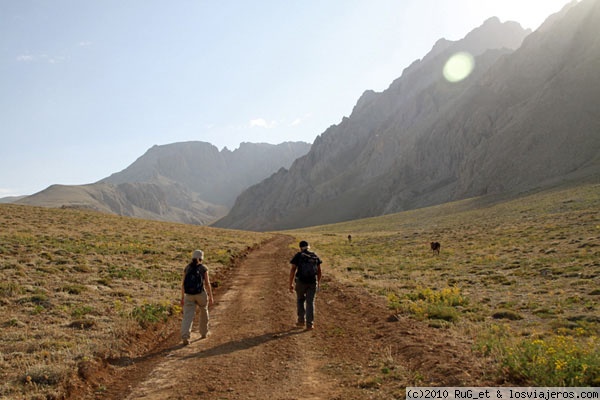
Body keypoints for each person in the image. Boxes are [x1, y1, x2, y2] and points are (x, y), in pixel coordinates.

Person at [180, 249, 214, 345]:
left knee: (188, 316)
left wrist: (182, 297)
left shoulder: (187, 268)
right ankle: (204, 333)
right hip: (200, 294)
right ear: (201, 258)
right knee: (204, 311)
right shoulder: (203, 268)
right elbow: (207, 283)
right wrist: (210, 296)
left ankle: (185, 336)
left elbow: (183, 284)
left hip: (189, 295)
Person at [289, 240, 322, 330]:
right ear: (308, 247)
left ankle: (301, 321)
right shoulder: (314, 256)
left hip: (301, 281)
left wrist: (290, 283)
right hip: (312, 282)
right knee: (310, 302)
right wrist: (318, 283)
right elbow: (319, 271)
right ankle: (309, 324)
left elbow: (293, 270)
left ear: (300, 248)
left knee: (300, 300)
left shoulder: (298, 256)